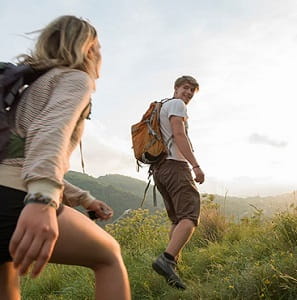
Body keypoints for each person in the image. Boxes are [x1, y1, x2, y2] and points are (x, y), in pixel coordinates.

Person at [0, 15, 131, 300]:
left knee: (6, 284)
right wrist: (42, 200)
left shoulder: (28, 86)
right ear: (88, 49)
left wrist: (84, 198)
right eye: (99, 49)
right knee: (108, 256)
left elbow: (23, 155)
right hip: (13, 198)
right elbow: (49, 133)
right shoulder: (75, 78)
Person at [151, 75, 205, 290]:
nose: (189, 93)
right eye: (186, 88)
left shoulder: (161, 106)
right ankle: (167, 259)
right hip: (175, 166)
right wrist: (195, 166)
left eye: (192, 90)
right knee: (190, 215)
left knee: (177, 219)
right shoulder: (177, 104)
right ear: (176, 88)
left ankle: (173, 266)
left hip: (159, 169)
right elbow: (179, 134)